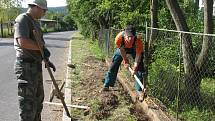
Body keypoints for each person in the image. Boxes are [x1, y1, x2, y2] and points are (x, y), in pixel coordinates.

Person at [14, 0, 56, 120]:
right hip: (25, 67)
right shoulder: (23, 19)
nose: (45, 13)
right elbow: (23, 42)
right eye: (44, 10)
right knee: (28, 105)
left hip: (35, 66)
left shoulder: (36, 23)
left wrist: (46, 59)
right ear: (37, 7)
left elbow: (39, 45)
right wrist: (41, 47)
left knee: (38, 101)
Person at [102, 25, 145, 101]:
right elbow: (122, 51)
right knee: (113, 65)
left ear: (134, 35)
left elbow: (138, 55)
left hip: (134, 50)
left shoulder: (138, 41)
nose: (130, 38)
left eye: (132, 37)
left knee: (139, 68)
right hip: (123, 49)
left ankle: (139, 91)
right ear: (124, 34)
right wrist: (125, 61)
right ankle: (107, 84)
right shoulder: (119, 38)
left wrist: (135, 67)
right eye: (128, 36)